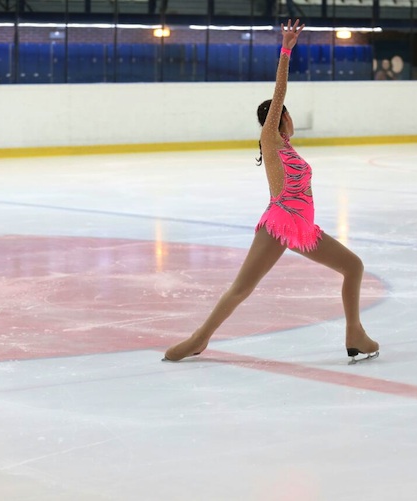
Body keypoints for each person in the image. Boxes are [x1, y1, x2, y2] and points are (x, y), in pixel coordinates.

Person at [163, 19, 380, 365]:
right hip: (280, 222)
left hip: (303, 229)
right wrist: (285, 51)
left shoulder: (288, 149)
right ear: (282, 119)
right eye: (286, 116)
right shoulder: (273, 139)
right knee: (242, 288)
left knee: (353, 267)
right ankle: (198, 339)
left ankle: (354, 332)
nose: (290, 119)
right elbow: (279, 94)